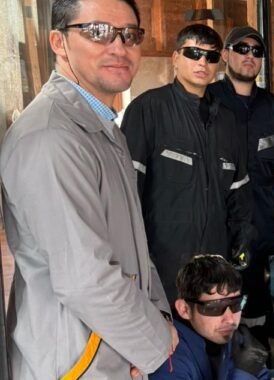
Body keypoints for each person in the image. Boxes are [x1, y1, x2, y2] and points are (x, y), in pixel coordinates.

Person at [0, 0, 178, 377]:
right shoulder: (51, 137)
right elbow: (85, 279)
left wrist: (158, 315)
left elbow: (132, 247)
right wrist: (154, 340)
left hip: (111, 348)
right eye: (97, 32)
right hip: (75, 362)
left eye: (130, 35)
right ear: (58, 42)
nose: (118, 46)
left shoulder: (103, 129)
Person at [121, 24, 254, 303]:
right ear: (176, 58)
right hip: (164, 268)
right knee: (169, 343)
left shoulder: (228, 121)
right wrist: (134, 259)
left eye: (211, 56)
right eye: (193, 53)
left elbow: (239, 190)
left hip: (214, 267)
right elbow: (126, 192)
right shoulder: (148, 111)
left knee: (212, 339)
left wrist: (242, 238)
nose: (202, 62)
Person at [209, 26, 274, 333]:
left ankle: (258, 356)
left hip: (260, 220)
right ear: (225, 55)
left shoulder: (273, 108)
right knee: (218, 292)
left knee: (259, 294)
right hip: (215, 220)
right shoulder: (207, 102)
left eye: (257, 51)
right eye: (241, 49)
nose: (250, 56)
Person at [150, 255, 270, 380]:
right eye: (214, 307)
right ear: (184, 309)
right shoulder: (169, 361)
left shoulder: (236, 341)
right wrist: (244, 375)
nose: (230, 319)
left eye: (236, 304)